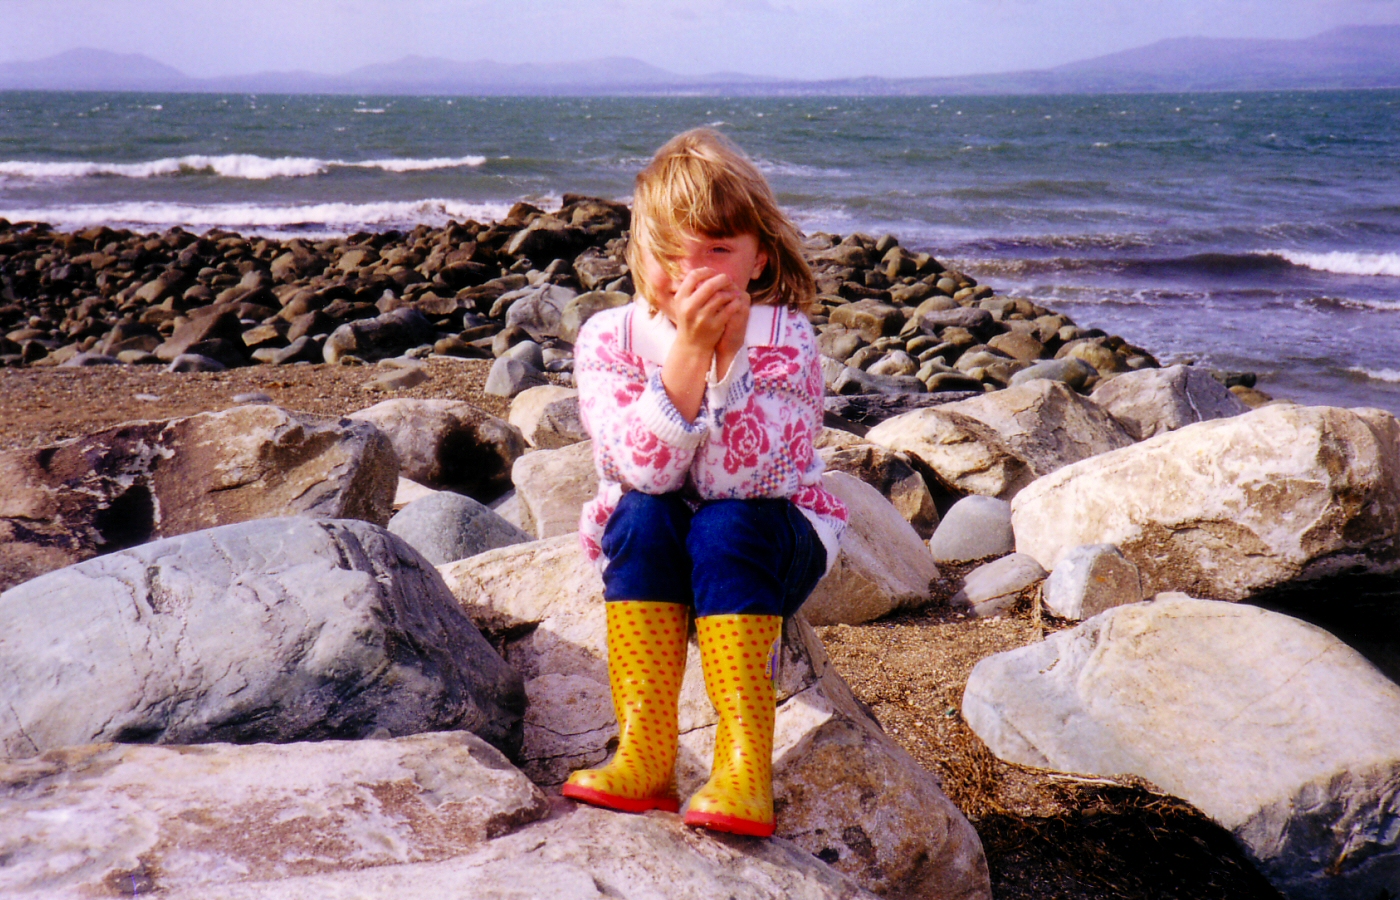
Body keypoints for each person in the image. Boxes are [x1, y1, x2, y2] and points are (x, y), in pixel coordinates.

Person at [560, 128, 848, 838]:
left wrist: (729, 364)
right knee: (640, 512)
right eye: (670, 254)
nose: (693, 274)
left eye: (718, 251)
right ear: (639, 254)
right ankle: (645, 754)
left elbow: (744, 481)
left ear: (759, 258)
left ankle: (745, 768)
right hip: (656, 547)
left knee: (724, 525)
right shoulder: (609, 339)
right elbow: (641, 471)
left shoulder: (785, 338)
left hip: (766, 536)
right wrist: (687, 354)